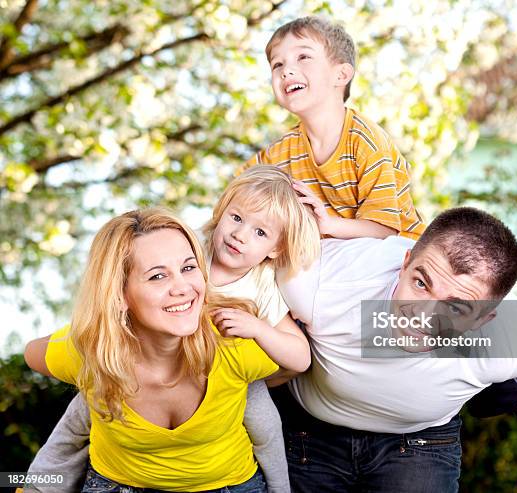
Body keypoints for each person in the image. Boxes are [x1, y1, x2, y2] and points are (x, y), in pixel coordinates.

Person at [23, 168, 320, 493]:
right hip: (132, 363)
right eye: (236, 218)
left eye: (260, 233)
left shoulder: (259, 290)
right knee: (88, 398)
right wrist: (95, 345)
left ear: (275, 249)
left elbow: (299, 358)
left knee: (265, 424)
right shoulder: (191, 250)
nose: (241, 235)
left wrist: (258, 330)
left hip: (237, 375)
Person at [271, 207, 517, 492]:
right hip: (312, 431)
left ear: (483, 319)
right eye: (421, 284)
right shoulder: (324, 278)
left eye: (457, 308)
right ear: (405, 263)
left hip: (420, 440)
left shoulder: (505, 339)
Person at [244, 16, 425, 240]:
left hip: (395, 254)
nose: (286, 70)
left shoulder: (365, 141)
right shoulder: (279, 153)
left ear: (341, 75)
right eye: (277, 64)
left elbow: (383, 229)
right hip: (332, 256)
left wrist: (327, 224)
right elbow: (237, 194)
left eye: (303, 57)